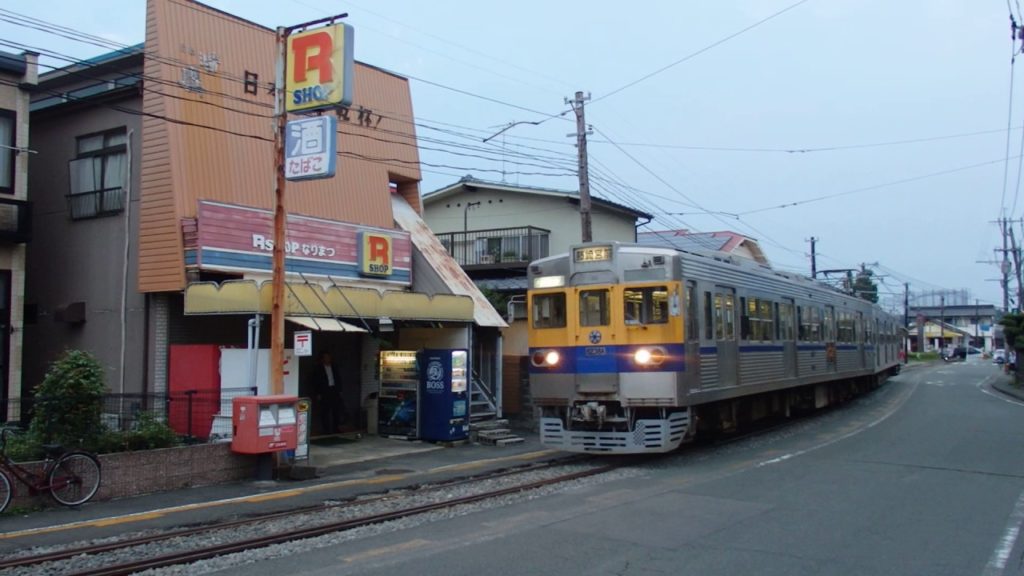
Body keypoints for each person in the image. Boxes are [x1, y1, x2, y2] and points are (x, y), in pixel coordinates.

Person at [313, 350, 345, 434]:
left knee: (336, 410)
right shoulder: (319, 368)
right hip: (324, 390)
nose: (327, 359)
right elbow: (316, 381)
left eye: (328, 357)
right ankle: (326, 429)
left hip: (334, 389)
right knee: (325, 410)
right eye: (325, 357)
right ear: (323, 359)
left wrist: (340, 390)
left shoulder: (334, 367)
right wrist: (318, 393)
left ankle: (336, 428)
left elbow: (338, 378)